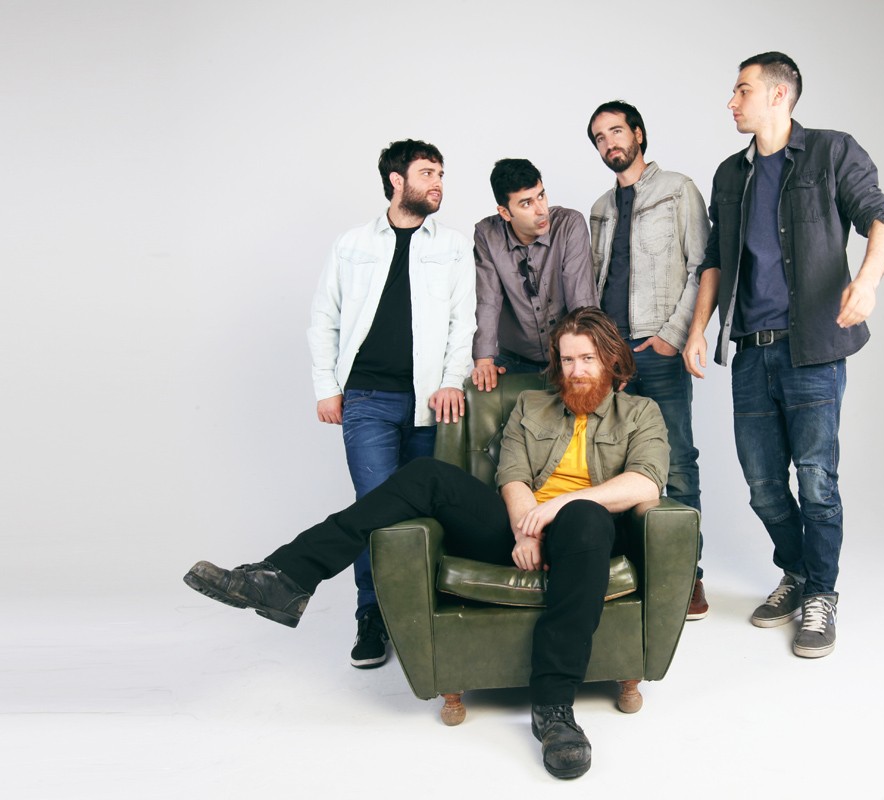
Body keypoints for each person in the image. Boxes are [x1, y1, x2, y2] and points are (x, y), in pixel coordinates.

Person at [185, 307, 668, 780]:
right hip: (520, 527)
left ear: (610, 359)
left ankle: (554, 708)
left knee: (584, 514)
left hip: (586, 540)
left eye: (587, 359)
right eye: (567, 359)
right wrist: (527, 529)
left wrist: (560, 507)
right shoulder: (532, 405)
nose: (576, 370)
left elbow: (647, 481)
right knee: (425, 474)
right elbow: (513, 476)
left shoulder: (640, 412)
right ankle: (286, 576)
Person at [683, 52, 884, 658]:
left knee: (817, 481)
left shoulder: (831, 151)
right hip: (751, 353)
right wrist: (698, 330)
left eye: (742, 90)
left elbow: (880, 219)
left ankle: (821, 594)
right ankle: (797, 571)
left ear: (779, 95)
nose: (732, 102)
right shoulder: (731, 174)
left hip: (813, 352)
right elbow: (715, 260)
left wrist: (868, 281)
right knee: (763, 487)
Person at [307, 139, 474, 669]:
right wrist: (326, 387)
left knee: (425, 511)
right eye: (427, 173)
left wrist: (452, 381)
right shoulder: (353, 243)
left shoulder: (453, 246)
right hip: (367, 398)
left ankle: (423, 611)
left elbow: (463, 322)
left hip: (432, 404)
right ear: (396, 180)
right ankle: (372, 616)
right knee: (373, 509)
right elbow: (325, 317)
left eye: (441, 173)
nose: (438, 182)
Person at [585, 100, 711, 620]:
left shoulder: (678, 189)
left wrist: (672, 337)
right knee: (610, 463)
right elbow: (595, 283)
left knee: (676, 460)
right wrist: (599, 352)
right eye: (599, 137)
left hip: (658, 352)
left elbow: (702, 266)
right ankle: (625, 571)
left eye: (616, 131)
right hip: (610, 360)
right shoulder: (599, 208)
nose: (609, 142)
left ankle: (686, 576)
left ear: (638, 133)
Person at [471, 158, 596, 390]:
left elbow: (581, 297)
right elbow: (488, 299)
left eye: (541, 195)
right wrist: (484, 360)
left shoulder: (569, 224)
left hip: (568, 356)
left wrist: (590, 356)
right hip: (513, 359)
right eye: (526, 203)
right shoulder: (487, 235)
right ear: (505, 212)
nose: (541, 210)